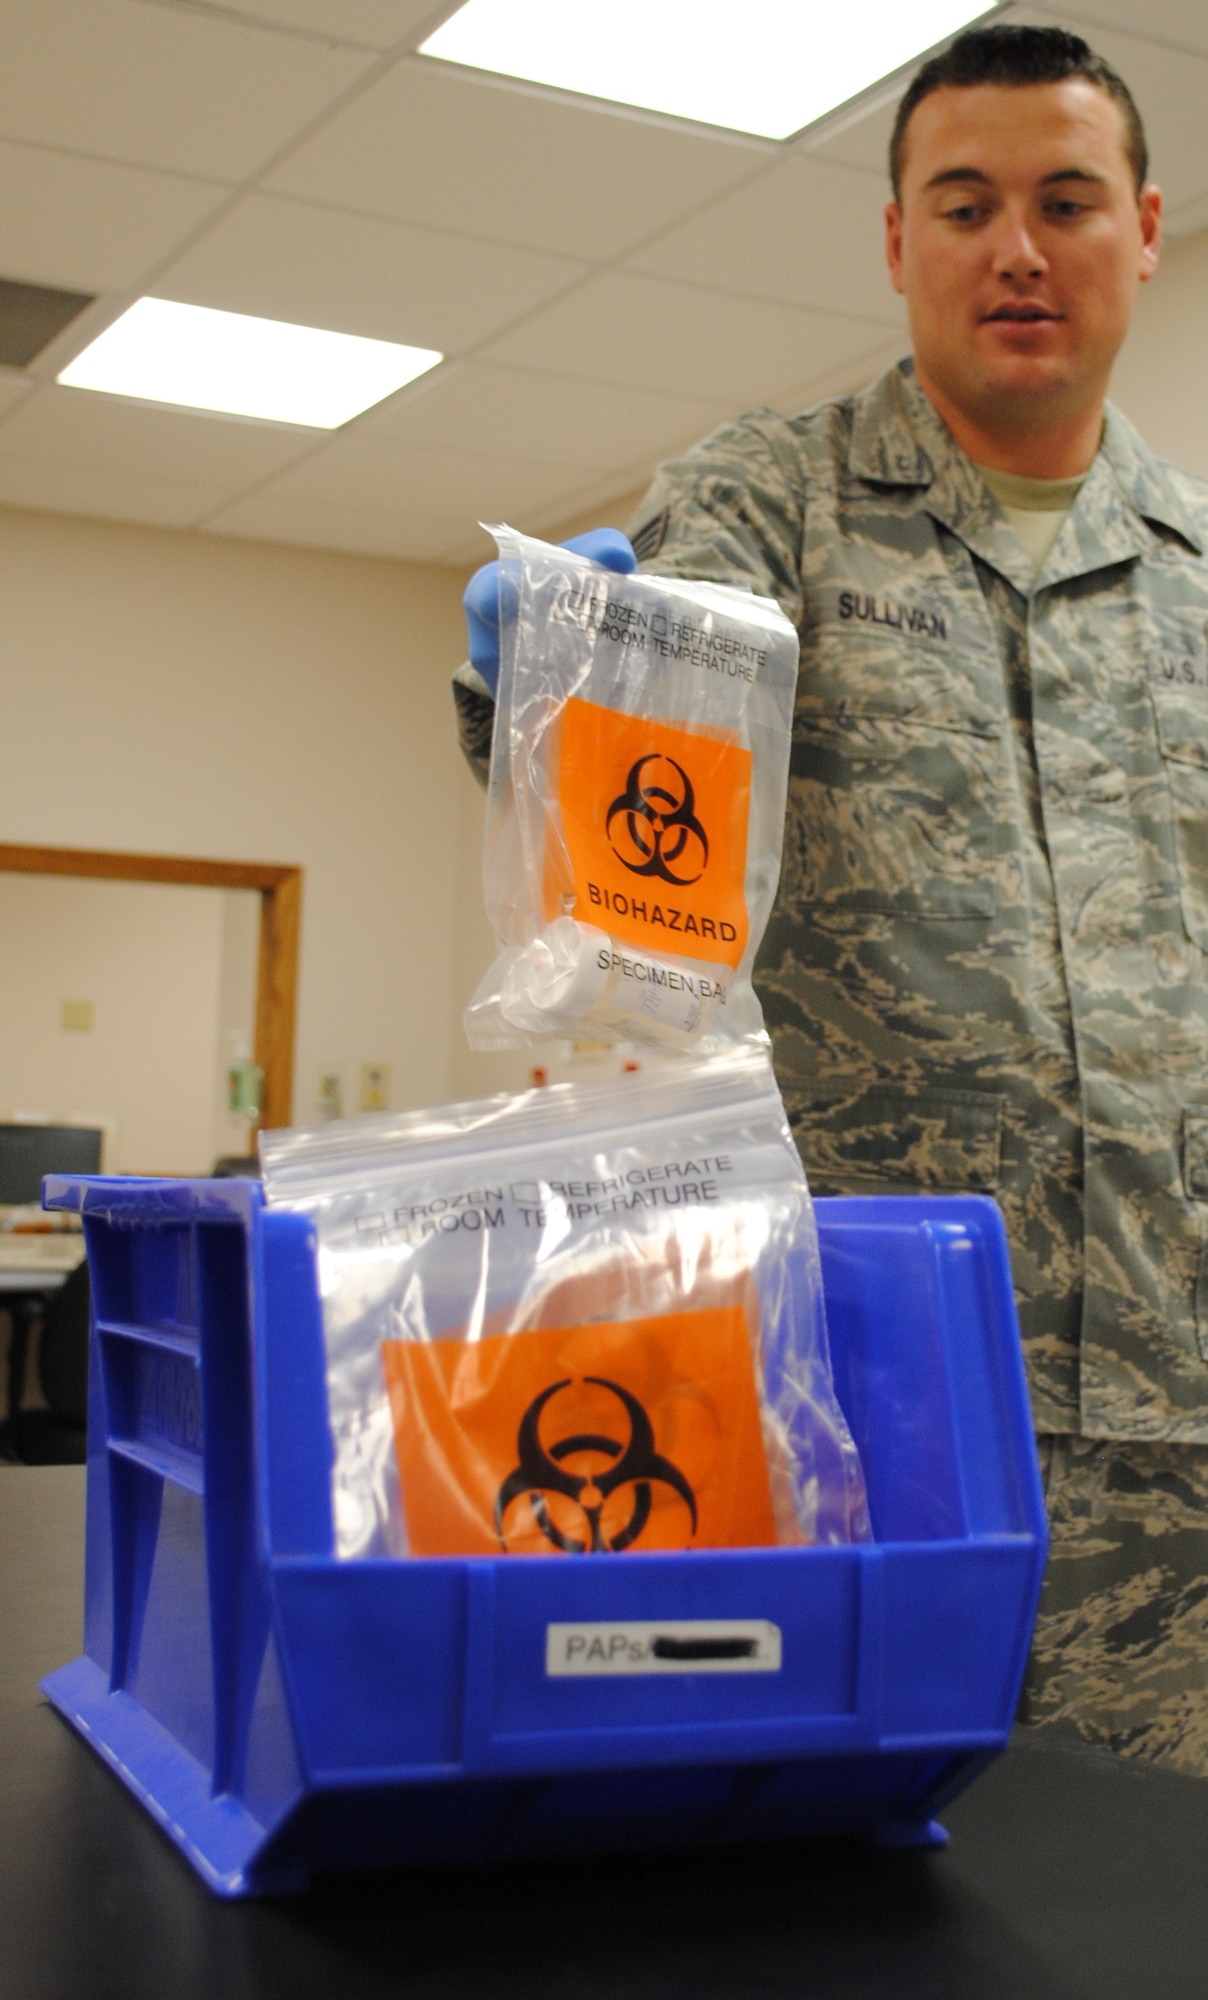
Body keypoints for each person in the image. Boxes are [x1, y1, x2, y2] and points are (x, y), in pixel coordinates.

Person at [453, 24, 1208, 1777]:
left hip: (1172, 1428)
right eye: (966, 205)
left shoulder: (1195, 575)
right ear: (897, 244)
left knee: (1151, 1914)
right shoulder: (771, 501)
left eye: (1066, 200)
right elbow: (633, 809)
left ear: (1145, 230)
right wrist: (539, 691)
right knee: (836, 1897)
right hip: (858, 1390)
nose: (1018, 248)